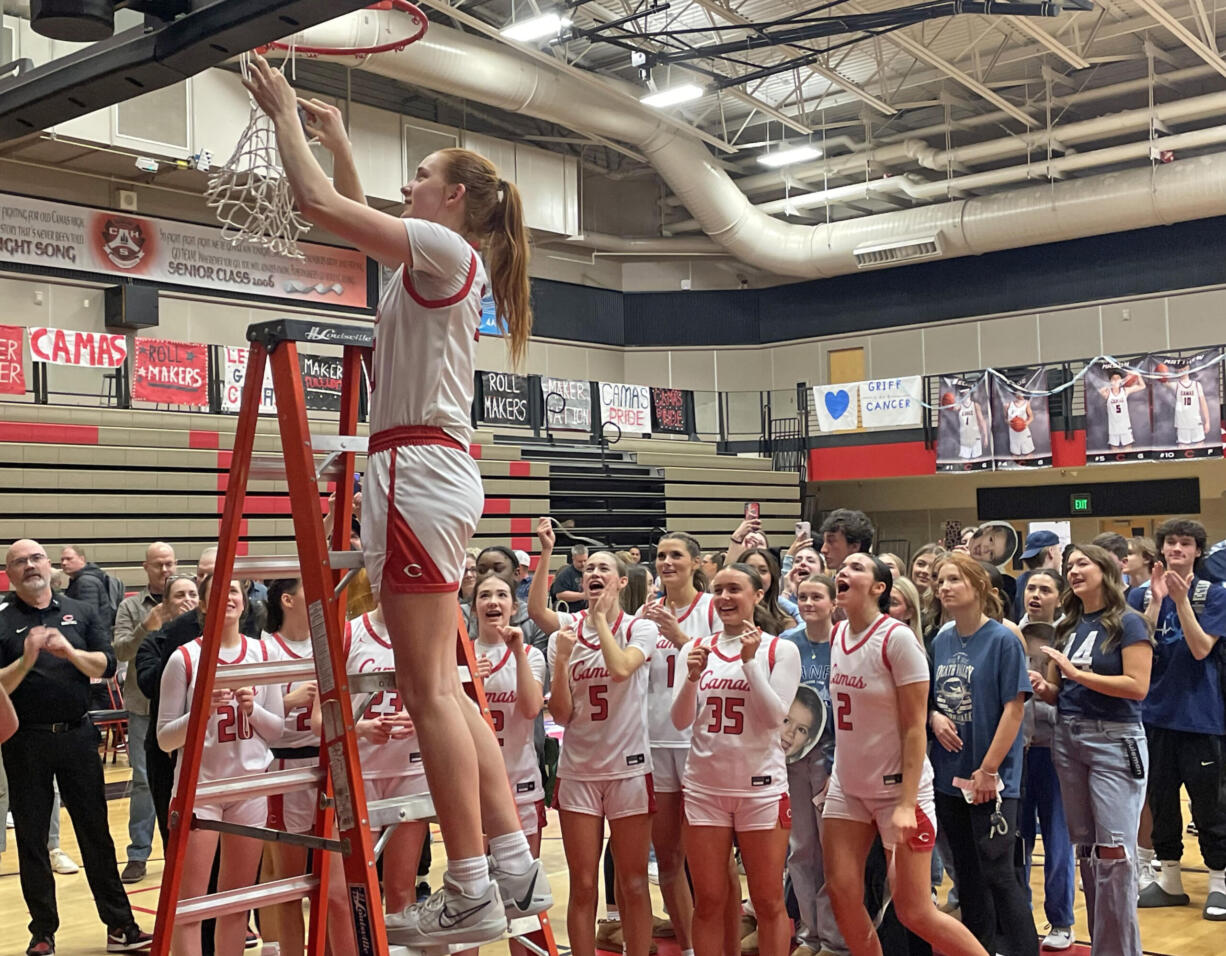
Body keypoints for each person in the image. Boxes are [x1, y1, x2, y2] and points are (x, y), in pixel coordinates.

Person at [244, 54, 545, 946]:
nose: (404, 184)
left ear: (453, 198)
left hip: (417, 470)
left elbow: (325, 213)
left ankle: (469, 884)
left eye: (420, 175)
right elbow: (357, 217)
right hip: (423, 468)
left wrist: (282, 119)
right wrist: (337, 139)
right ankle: (512, 861)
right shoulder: (439, 256)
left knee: (427, 691)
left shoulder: (447, 248)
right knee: (443, 689)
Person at [820, 551, 985, 956]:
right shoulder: (838, 633)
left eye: (857, 568)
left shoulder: (897, 638)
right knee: (841, 895)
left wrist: (908, 803)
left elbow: (915, 728)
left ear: (879, 587)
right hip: (848, 786)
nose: (844, 571)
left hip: (899, 789)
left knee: (915, 912)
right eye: (843, 568)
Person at [0, 539, 153, 956]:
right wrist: (27, 659)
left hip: (77, 735)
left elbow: (105, 666)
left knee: (95, 833)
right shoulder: (3, 620)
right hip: (24, 740)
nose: (30, 566)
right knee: (32, 839)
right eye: (20, 561)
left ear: (49, 566)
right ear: (10, 573)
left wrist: (69, 651)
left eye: (36, 558)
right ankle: (42, 933)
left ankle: (121, 926)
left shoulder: (81, 611)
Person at [528, 518, 658, 956]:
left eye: (604, 569)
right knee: (582, 885)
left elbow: (621, 669)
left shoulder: (641, 628)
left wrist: (599, 622)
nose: (594, 574)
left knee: (634, 883)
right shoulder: (564, 636)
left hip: (630, 770)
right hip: (580, 769)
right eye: (589, 570)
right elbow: (561, 713)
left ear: (622, 581)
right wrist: (563, 659)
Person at [1029, 545, 1154, 955]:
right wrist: (1043, 686)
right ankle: (1104, 945)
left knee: (1115, 854)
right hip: (1068, 737)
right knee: (1087, 851)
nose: (1074, 570)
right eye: (1069, 566)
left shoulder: (1128, 624)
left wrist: (1076, 673)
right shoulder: (1067, 626)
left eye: (1083, 563)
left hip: (1114, 739)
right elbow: (1057, 692)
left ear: (1106, 569)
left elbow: (1136, 686)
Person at [671, 563, 800, 956]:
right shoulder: (693, 649)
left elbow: (773, 718)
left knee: (767, 901)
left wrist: (749, 662)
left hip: (759, 790)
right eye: (718, 590)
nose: (725, 598)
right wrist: (692, 679)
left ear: (758, 595)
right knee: (708, 899)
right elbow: (679, 721)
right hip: (705, 789)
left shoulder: (781, 649)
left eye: (734, 589)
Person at [157, 577, 283, 956]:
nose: (228, 597)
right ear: (205, 604)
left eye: (234, 590)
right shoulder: (184, 658)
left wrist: (252, 709)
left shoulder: (264, 653)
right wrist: (201, 712)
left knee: (237, 904)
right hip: (200, 792)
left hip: (248, 790)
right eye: (218, 591)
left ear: (244, 602)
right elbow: (164, 738)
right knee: (190, 904)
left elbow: (276, 729)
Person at [928, 552, 1036, 956]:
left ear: (978, 587)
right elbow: (931, 697)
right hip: (948, 776)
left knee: (999, 874)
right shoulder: (942, 638)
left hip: (991, 778)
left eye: (954, 579)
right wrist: (935, 716)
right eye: (940, 581)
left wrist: (988, 770)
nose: (944, 587)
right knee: (968, 876)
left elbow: (1015, 708)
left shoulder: (1004, 639)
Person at [316, 604, 431, 956]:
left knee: (400, 887)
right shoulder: (350, 632)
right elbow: (319, 712)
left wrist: (420, 717)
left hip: (409, 771)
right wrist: (358, 728)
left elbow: (444, 699)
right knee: (342, 890)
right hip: (357, 771)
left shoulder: (426, 628)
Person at [1129, 517, 1226, 918]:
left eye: (1185, 544)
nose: (1176, 550)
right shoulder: (1139, 596)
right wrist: (1154, 600)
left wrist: (1181, 601)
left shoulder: (1214, 594)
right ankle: (1169, 878)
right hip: (1154, 717)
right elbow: (1140, 645)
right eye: (1170, 543)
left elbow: (1202, 648)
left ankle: (1219, 880)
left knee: (1209, 806)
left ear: (1197, 551)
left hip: (1200, 718)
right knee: (1161, 801)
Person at [637, 532, 720, 956]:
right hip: (655, 741)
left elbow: (725, 669)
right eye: (661, 556)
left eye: (675, 555)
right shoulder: (645, 614)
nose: (666, 562)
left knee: (708, 862)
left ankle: (719, 945)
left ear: (696, 562)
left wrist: (681, 636)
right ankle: (688, 947)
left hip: (699, 742)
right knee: (667, 857)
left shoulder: (711, 609)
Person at [471, 571, 547, 956]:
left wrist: (516, 652)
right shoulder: (459, 655)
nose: (493, 602)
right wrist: (470, 684)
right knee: (471, 892)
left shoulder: (531, 654)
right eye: (485, 595)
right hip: (472, 789)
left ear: (514, 607)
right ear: (475, 607)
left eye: (502, 595)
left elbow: (532, 708)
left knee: (522, 894)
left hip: (520, 782)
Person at [780, 575, 844, 956]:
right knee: (801, 849)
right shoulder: (788, 645)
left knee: (832, 851)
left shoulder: (846, 642)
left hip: (834, 760)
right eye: (802, 596)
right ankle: (809, 933)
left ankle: (835, 939)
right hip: (793, 759)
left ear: (833, 601)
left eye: (816, 596)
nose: (807, 602)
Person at [112, 540, 180, 884]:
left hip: (185, 705)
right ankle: (139, 852)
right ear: (145, 567)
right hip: (144, 704)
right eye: (158, 565)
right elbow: (120, 650)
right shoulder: (132, 607)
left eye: (170, 564)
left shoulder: (189, 599)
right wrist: (146, 627)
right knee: (142, 780)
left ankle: (182, 850)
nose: (165, 570)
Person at [1014, 569, 1075, 950]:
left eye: (1045, 589)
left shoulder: (1070, 635)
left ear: (1060, 595)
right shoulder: (1009, 634)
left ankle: (1061, 920)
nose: (1035, 595)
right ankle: (1017, 916)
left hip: (1056, 751)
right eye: (1031, 588)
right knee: (1017, 840)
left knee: (1057, 840)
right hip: (1016, 752)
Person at [260, 579, 319, 956]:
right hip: (284, 766)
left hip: (327, 765)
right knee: (290, 884)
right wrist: (289, 700)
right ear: (287, 600)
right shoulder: (265, 649)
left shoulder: (330, 643)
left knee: (331, 884)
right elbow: (254, 716)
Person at [741, 548, 796, 634]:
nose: (756, 575)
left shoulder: (786, 623)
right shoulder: (727, 616)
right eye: (749, 570)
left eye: (763, 571)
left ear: (772, 577)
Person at [59, 546, 116, 623]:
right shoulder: (81, 579)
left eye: (69, 559)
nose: (64, 563)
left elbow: (88, 616)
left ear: (82, 559)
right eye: (62, 560)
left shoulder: (86, 582)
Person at [1163, 360, 1210, 445]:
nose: (1182, 371)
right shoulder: (1176, 385)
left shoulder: (1196, 385)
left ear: (1188, 368)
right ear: (1177, 371)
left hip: (1195, 421)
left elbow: (1203, 404)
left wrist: (1207, 421)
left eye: (1184, 368)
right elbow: (1163, 381)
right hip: (1182, 423)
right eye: (1180, 369)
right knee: (1183, 447)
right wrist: (1161, 372)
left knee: (1200, 445)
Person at [1097, 368, 1146, 450]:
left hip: (1125, 425)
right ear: (1110, 381)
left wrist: (1138, 375)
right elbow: (1100, 390)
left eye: (1118, 378)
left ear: (1121, 380)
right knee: (1114, 447)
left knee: (1128, 446)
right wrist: (1110, 385)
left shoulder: (1125, 390)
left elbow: (1142, 386)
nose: (1116, 380)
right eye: (1113, 379)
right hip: (1113, 426)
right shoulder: (1107, 392)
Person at [552, 544, 590, 611]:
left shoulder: (592, 572)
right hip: (571, 613)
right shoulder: (565, 573)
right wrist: (583, 595)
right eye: (580, 561)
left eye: (585, 560)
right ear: (573, 558)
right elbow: (559, 595)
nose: (583, 564)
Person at [1002, 391, 1035, 458]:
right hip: (1013, 432)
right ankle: (1016, 467)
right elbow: (1005, 419)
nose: (1019, 394)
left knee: (1029, 454)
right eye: (1017, 392)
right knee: (1015, 454)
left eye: (1020, 392)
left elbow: (1031, 417)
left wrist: (1025, 424)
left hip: (1024, 431)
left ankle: (1031, 466)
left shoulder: (1027, 403)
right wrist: (1010, 423)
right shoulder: (1007, 405)